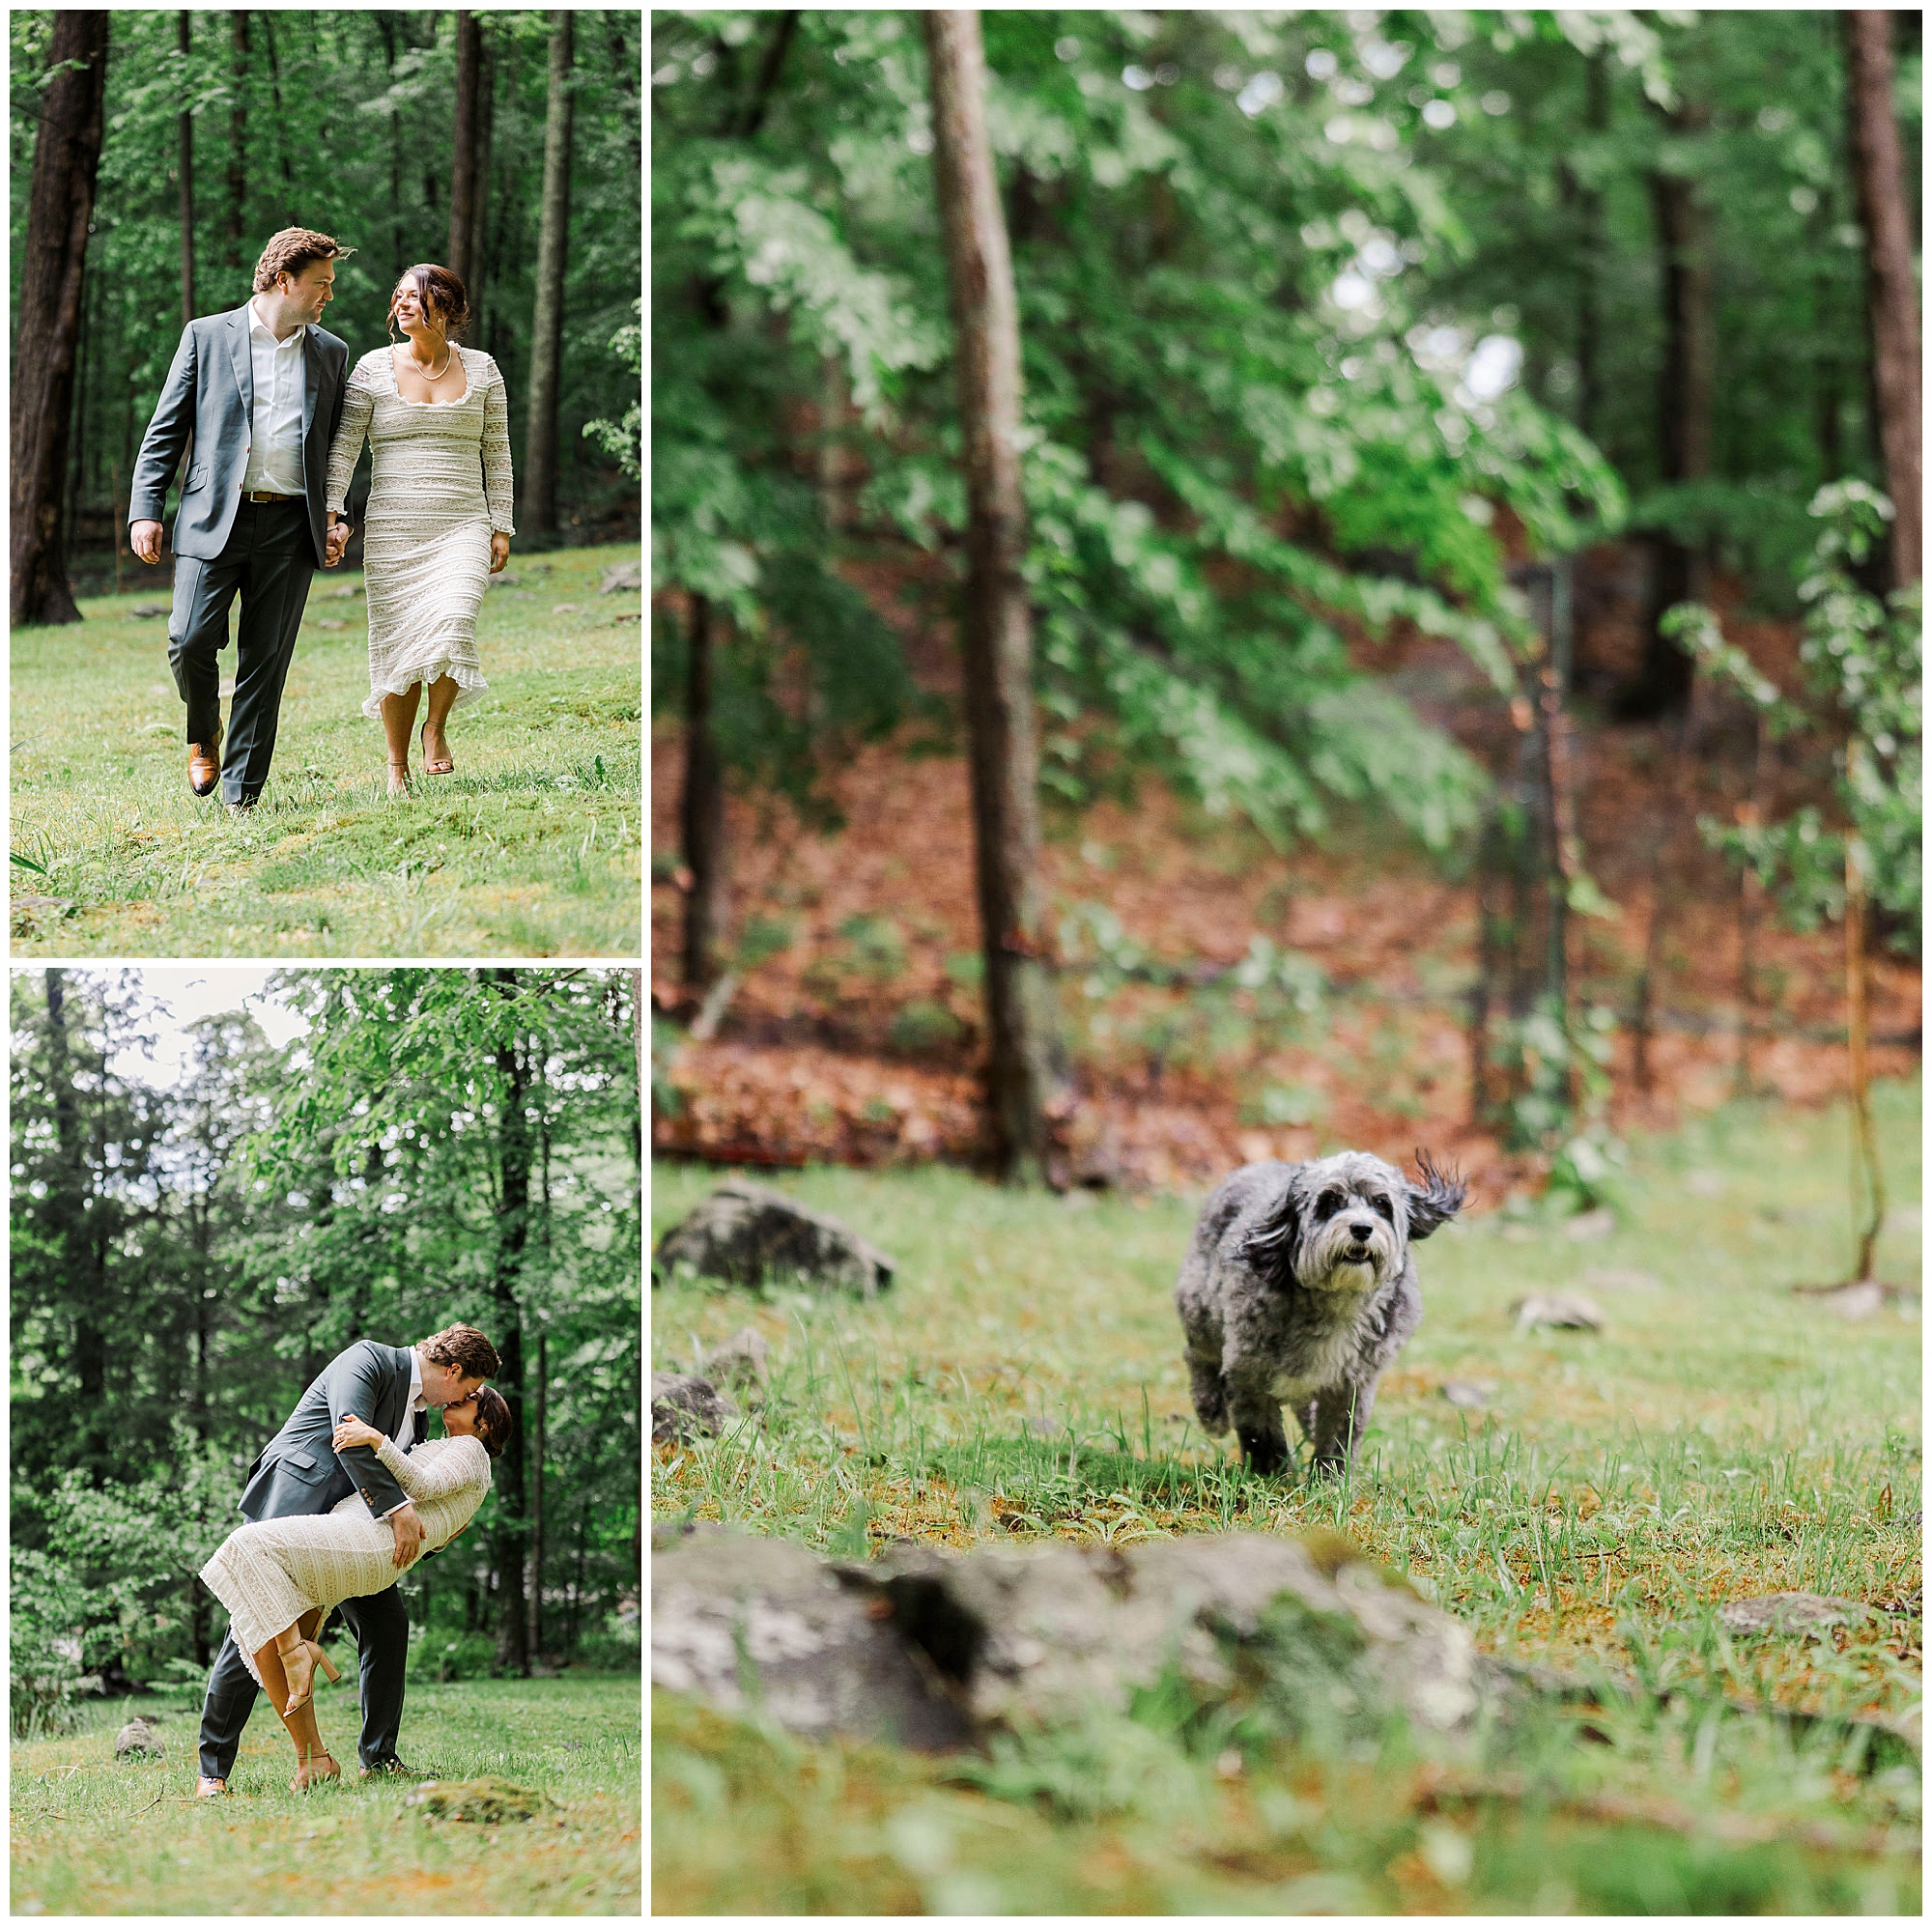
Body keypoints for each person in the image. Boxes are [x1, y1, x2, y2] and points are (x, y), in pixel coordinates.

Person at [193, 1323, 501, 1798]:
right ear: (454, 1370)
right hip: (304, 1495)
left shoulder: (418, 1416)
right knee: (254, 1625)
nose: (458, 1401)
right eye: (468, 1389)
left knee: (387, 1624)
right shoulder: (369, 1360)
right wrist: (397, 1510)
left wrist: (432, 1534)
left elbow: (422, 1481)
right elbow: (348, 1438)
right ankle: (212, 1769)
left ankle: (377, 1758)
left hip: (357, 1530)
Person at [128, 228, 354, 811]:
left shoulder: (331, 351)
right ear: (285, 281)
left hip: (290, 528)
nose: (329, 295)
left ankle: (240, 794)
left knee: (264, 662)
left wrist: (334, 516)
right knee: (189, 638)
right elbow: (165, 431)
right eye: (321, 284)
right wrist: (145, 511)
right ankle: (203, 733)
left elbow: (334, 445)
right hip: (210, 519)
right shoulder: (206, 336)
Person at [324, 265, 515, 795]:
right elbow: (343, 448)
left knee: (454, 619)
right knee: (396, 644)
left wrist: (502, 524)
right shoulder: (370, 369)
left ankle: (436, 728)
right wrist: (331, 512)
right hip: (394, 528)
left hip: (462, 522)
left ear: (447, 309)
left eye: (418, 297)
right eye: (400, 296)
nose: (404, 304)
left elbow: (496, 451)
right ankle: (395, 766)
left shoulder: (483, 369)